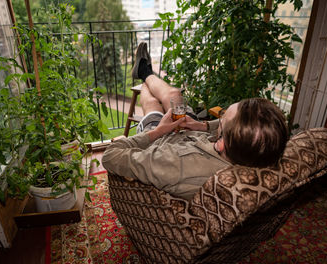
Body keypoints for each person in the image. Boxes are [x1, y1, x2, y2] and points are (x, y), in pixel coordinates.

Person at [102, 42, 288, 200]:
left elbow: (110, 156)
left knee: (152, 103)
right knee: (174, 95)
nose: (219, 118)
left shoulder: (176, 165)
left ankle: (144, 74)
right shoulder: (246, 150)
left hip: (160, 140)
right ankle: (145, 72)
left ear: (222, 142)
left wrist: (158, 131)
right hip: (192, 135)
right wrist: (204, 126)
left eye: (222, 119)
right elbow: (232, 132)